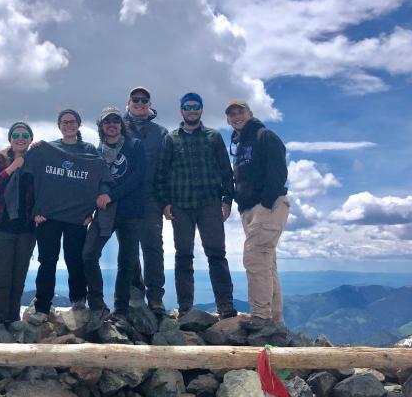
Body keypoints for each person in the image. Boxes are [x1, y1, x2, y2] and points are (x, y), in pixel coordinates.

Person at [25, 109, 112, 325]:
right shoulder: (47, 149)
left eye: (72, 122)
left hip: (77, 217)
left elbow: (101, 178)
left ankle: (78, 300)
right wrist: (35, 210)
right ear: (59, 125)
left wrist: (90, 212)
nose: (69, 125)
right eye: (65, 122)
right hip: (48, 217)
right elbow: (28, 178)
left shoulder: (89, 150)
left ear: (79, 125)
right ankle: (43, 307)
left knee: (75, 260)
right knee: (47, 261)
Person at [155, 93, 237, 318]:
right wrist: (165, 203)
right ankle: (185, 309)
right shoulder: (171, 139)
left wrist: (227, 200)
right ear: (181, 110)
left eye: (196, 106)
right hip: (181, 205)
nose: (192, 110)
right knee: (183, 256)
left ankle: (226, 306)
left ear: (201, 109)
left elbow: (225, 171)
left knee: (217, 254)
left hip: (210, 204)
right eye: (187, 106)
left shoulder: (213, 137)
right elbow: (161, 174)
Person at [226, 99, 289, 332]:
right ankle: (275, 319)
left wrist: (265, 203)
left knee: (254, 258)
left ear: (250, 113)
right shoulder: (241, 144)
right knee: (266, 262)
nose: (236, 117)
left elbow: (278, 172)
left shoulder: (264, 136)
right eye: (232, 114)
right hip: (250, 209)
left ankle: (261, 316)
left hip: (267, 206)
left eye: (240, 112)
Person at [82, 107, 145, 327]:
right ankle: (98, 306)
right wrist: (86, 212)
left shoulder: (134, 146)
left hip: (130, 212)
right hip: (104, 212)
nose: (112, 124)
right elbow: (88, 183)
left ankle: (121, 310)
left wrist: (111, 195)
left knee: (127, 262)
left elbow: (138, 178)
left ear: (122, 124)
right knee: (89, 255)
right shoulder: (95, 152)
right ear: (101, 126)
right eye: (107, 121)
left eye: (116, 120)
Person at [0, 122, 36, 329]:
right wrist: (12, 168)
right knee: (0, 281)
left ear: (31, 139)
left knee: (18, 280)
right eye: (16, 134)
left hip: (26, 231)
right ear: (10, 138)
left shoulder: (35, 161)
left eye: (25, 134)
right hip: (0, 229)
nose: (20, 138)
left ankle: (13, 320)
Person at [122, 86, 168, 315]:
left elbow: (168, 167)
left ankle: (156, 297)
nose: (140, 103)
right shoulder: (116, 126)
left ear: (150, 104)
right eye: (135, 99)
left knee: (152, 246)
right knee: (129, 247)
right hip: (125, 198)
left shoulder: (161, 133)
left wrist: (166, 199)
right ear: (128, 103)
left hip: (151, 197)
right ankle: (135, 293)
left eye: (144, 100)